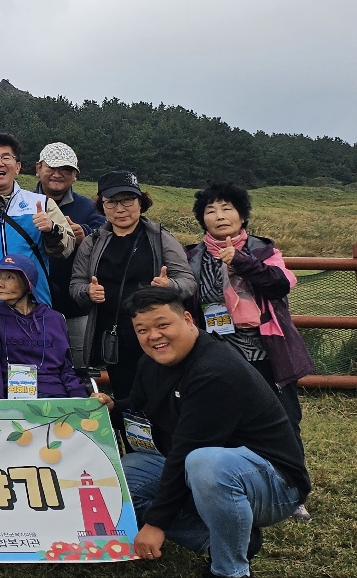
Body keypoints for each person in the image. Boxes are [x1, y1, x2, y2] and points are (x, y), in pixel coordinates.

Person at [104, 286, 310, 578]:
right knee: (122, 474)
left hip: (274, 482)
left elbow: (187, 450)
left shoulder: (215, 371)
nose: (154, 336)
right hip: (204, 468)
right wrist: (111, 406)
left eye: (163, 325)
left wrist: (157, 523)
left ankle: (230, 570)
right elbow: (140, 404)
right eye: (142, 329)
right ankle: (220, 537)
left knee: (205, 463)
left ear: (188, 319)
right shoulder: (151, 361)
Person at [187, 183, 314, 437]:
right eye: (210, 210)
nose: (219, 216)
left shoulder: (261, 250)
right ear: (203, 219)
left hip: (266, 352)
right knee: (227, 422)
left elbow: (280, 284)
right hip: (216, 353)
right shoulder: (191, 256)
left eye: (227, 208)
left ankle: (290, 475)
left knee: (282, 421)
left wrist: (240, 260)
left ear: (242, 216)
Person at [68, 170, 197, 407]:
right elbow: (76, 285)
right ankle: (133, 444)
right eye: (112, 202)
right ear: (102, 206)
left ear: (141, 202)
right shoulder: (93, 242)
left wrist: (169, 287)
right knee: (127, 401)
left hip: (157, 335)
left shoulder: (160, 238)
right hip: (114, 341)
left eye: (127, 200)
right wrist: (88, 293)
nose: (120, 209)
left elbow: (187, 281)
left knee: (164, 401)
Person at [0, 133, 75, 311]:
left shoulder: (42, 204)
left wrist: (51, 230)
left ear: (17, 167)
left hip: (34, 308)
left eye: (6, 157)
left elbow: (66, 249)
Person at [33, 142, 105, 363]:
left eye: (65, 169)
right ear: (38, 168)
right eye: (51, 167)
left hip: (76, 305)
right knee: (33, 365)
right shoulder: (22, 203)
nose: (57, 174)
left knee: (79, 367)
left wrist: (85, 233)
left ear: (75, 175)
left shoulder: (89, 207)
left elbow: (107, 235)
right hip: (31, 303)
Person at [0, 256, 85, 399]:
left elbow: (66, 368)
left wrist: (79, 399)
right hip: (14, 400)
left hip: (57, 395)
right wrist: (0, 408)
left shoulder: (54, 319)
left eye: (9, 277)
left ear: (27, 284)